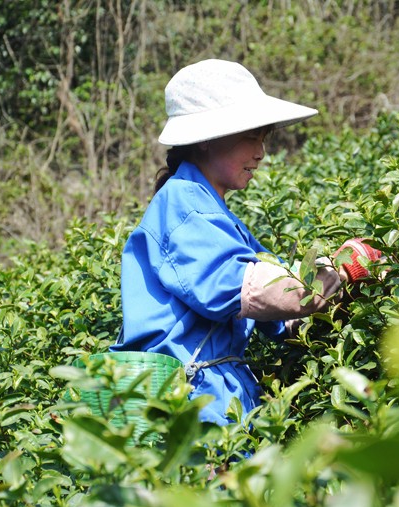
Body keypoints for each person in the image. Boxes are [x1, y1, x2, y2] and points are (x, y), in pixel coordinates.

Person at [110, 59, 378, 426]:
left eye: (263, 139)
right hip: (190, 411)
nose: (261, 153)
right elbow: (264, 292)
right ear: (206, 139)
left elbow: (283, 322)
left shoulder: (219, 218)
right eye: (251, 137)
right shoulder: (183, 206)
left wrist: (345, 291)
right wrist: (341, 271)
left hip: (223, 402)